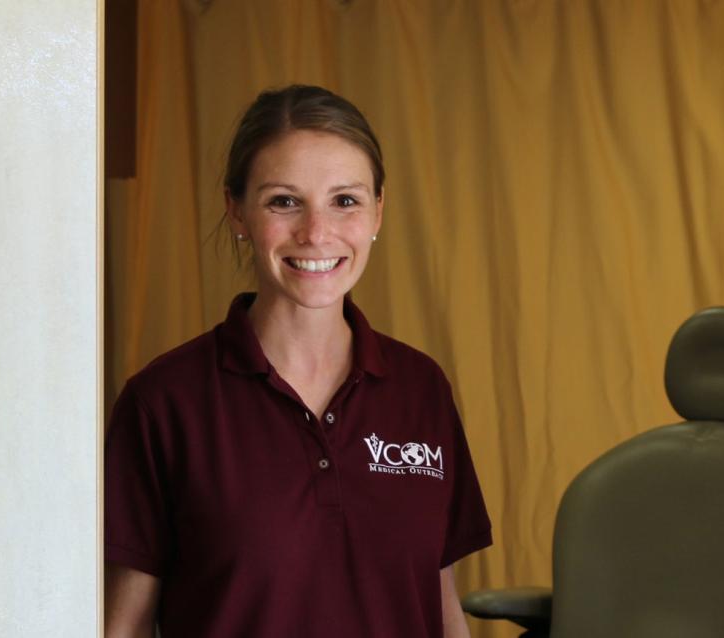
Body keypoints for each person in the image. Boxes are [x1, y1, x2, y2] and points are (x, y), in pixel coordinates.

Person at [104, 85, 492, 638]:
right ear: (236, 210)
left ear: (378, 210)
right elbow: (125, 626)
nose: (316, 233)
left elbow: (438, 602)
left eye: (345, 200)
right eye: (284, 201)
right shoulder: (163, 402)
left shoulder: (420, 388)